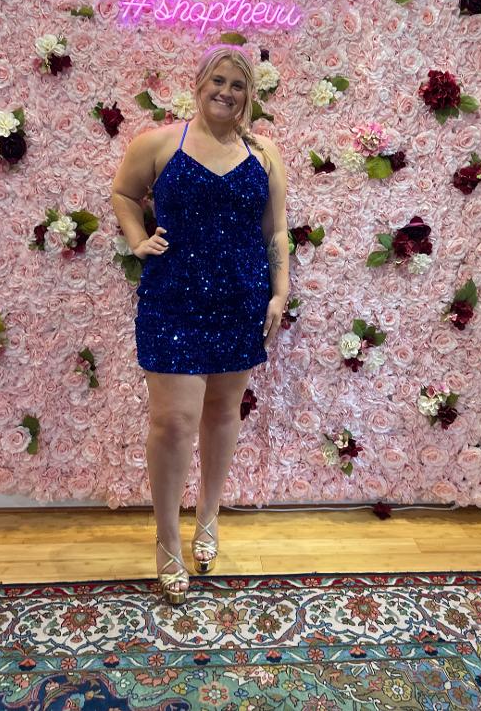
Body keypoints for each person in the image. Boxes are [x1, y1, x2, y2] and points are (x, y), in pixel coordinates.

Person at [111, 44, 289, 605]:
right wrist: (137, 239)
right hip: (172, 299)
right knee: (172, 422)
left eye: (237, 85)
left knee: (222, 413)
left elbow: (276, 229)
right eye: (218, 81)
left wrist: (280, 291)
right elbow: (123, 193)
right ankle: (166, 539)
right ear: (199, 84)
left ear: (250, 94)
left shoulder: (264, 154)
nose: (226, 92)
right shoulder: (160, 143)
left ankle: (208, 517)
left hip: (240, 300)